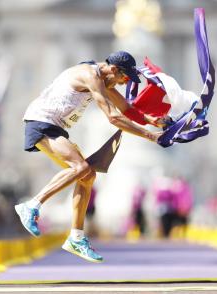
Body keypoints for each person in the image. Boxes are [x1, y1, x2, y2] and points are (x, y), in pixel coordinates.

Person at [15, 51, 160, 263]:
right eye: (125, 78)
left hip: (55, 127)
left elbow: (126, 109)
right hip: (40, 122)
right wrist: (150, 136)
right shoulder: (90, 76)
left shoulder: (103, 79)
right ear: (114, 70)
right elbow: (113, 117)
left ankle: (76, 237)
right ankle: (31, 205)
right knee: (81, 168)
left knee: (88, 176)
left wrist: (156, 121)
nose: (124, 83)